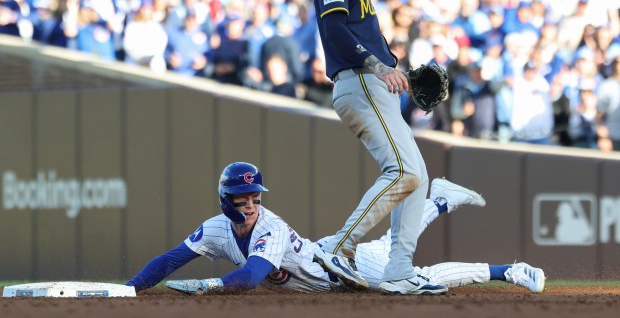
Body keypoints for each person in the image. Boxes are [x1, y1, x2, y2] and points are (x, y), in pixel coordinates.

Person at [125, 162, 546, 295]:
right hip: (326, 261)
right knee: (392, 245)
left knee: (413, 285)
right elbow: (171, 259)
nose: (251, 205)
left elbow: (253, 275)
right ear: (227, 201)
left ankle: (507, 270)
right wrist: (132, 287)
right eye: (243, 199)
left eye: (255, 197)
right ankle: (440, 199)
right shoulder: (217, 229)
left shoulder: (267, 227)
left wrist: (213, 286)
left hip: (341, 265)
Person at [311, 0, 439, 294]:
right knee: (402, 170)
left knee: (417, 175)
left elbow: (356, 33)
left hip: (373, 83)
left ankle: (399, 269)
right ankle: (338, 245)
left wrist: (399, 71)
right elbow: (333, 29)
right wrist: (378, 68)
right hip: (360, 81)